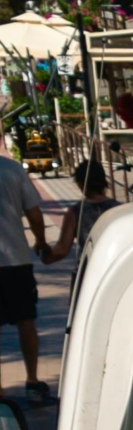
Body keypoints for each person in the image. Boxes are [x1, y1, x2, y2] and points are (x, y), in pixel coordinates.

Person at [0, 131, 51, 404]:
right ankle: (32, 381)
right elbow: (34, 213)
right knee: (26, 320)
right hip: (15, 260)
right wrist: (41, 241)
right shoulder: (12, 170)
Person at [44, 155, 118, 264]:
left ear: (80, 183)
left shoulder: (75, 212)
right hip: (115, 267)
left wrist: (45, 256)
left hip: (89, 271)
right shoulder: (120, 209)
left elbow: (61, 251)